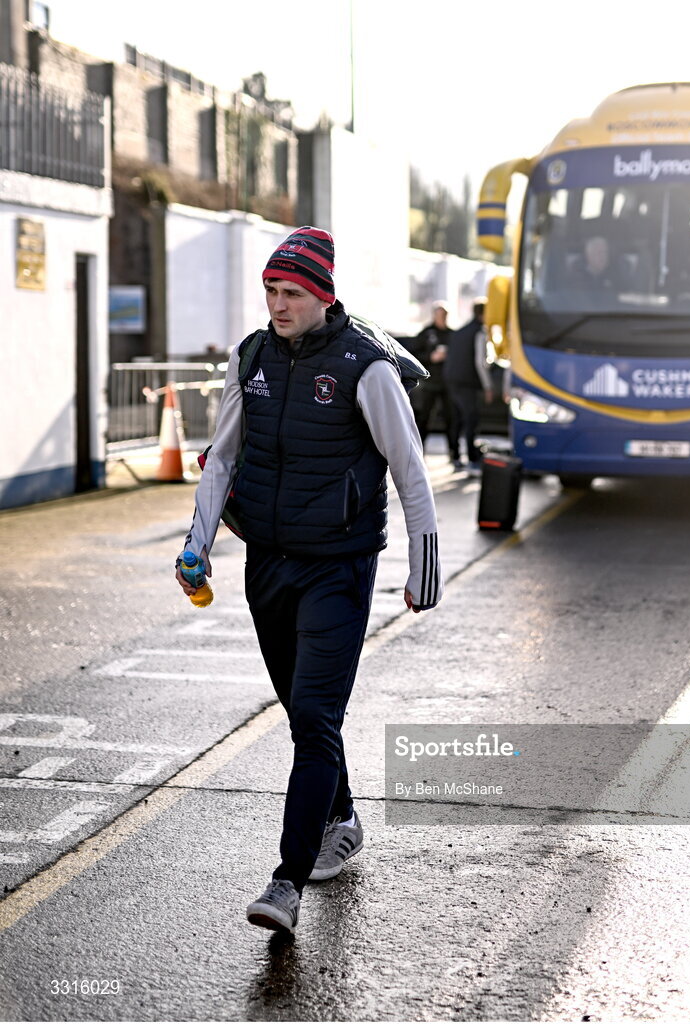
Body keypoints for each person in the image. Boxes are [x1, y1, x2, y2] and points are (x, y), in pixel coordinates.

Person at [175, 226, 443, 936]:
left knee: (315, 720)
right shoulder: (253, 356)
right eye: (271, 290)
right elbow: (222, 459)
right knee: (303, 712)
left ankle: (286, 881)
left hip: (339, 567)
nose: (278, 303)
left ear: (323, 295)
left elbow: (409, 469)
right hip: (267, 562)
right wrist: (196, 543)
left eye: (292, 292)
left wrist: (423, 566)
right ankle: (343, 818)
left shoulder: (368, 368)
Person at [445, 298, 495, 473]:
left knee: (456, 419)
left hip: (452, 380)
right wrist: (488, 386)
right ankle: (473, 459)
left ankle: (455, 456)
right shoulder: (479, 332)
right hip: (468, 382)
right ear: (483, 314)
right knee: (471, 419)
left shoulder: (459, 332)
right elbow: (480, 362)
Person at [412, 301, 460, 466]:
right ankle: (419, 453)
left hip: (448, 384)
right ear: (434, 315)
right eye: (440, 315)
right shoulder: (426, 333)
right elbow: (413, 356)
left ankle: (455, 454)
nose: (442, 318)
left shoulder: (453, 334)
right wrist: (431, 357)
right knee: (424, 419)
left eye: (445, 315)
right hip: (429, 384)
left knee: (451, 419)